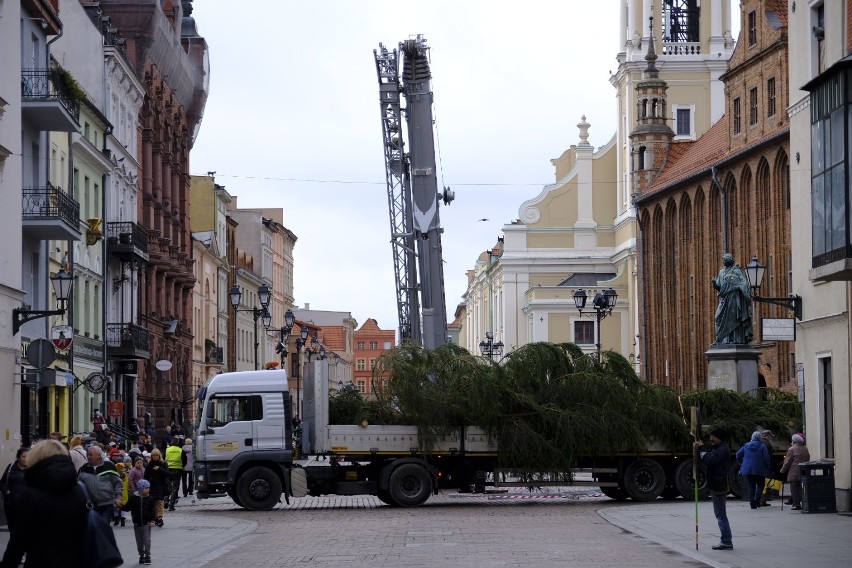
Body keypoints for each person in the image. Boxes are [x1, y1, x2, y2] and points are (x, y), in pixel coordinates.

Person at [7, 440, 87, 568]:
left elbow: (20, 537)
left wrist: (9, 562)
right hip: (76, 559)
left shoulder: (31, 492)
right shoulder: (78, 489)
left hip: (41, 560)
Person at [697, 427, 733, 550]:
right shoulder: (719, 448)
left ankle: (726, 541)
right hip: (717, 484)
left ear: (720, 438)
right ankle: (726, 540)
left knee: (720, 514)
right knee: (720, 514)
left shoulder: (722, 450)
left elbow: (709, 460)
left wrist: (702, 448)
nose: (711, 438)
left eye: (714, 436)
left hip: (719, 485)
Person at [711, 253, 753, 345]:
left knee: (733, 318)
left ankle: (733, 339)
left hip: (734, 298)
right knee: (718, 317)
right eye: (722, 259)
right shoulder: (721, 272)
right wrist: (714, 284)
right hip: (724, 299)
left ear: (729, 260)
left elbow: (744, 283)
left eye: (724, 259)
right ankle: (722, 339)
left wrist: (738, 286)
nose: (723, 260)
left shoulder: (736, 271)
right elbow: (719, 286)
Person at [77, 445, 123, 524]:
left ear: (99, 455)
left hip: (107, 504)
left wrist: (118, 497)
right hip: (90, 505)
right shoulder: (83, 469)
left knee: (103, 528)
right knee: (93, 529)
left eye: (90, 455)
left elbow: (117, 483)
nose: (88, 457)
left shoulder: (109, 466)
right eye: (87, 454)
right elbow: (79, 486)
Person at [0, 448, 29, 568]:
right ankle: (17, 553)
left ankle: (26, 553)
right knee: (14, 530)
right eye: (23, 456)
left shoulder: (33, 469)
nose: (26, 459)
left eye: (28, 456)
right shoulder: (11, 467)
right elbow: (1, 482)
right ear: (18, 457)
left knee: (25, 530)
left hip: (26, 506)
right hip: (11, 505)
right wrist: (6, 491)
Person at [123, 478, 156, 565]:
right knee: (139, 542)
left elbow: (152, 510)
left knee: (146, 540)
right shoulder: (133, 498)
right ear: (141, 489)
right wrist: (119, 506)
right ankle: (141, 555)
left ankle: (147, 556)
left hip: (146, 523)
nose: (148, 489)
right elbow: (127, 507)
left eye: (148, 488)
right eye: (146, 488)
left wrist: (152, 520)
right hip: (137, 524)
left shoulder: (150, 498)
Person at [736, 431, 772, 509]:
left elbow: (738, 454)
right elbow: (766, 458)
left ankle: (752, 503)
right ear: (759, 438)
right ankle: (757, 499)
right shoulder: (762, 446)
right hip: (760, 470)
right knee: (760, 485)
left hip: (748, 470)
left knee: (751, 486)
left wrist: (741, 462)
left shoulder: (746, 445)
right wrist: (768, 466)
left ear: (752, 437)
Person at [780, 433, 811, 510]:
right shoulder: (805, 448)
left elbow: (787, 462)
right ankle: (804, 503)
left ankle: (797, 505)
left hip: (794, 472)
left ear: (793, 441)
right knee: (802, 489)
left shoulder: (791, 449)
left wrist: (782, 470)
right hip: (803, 471)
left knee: (794, 489)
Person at [144, 448, 170, 526]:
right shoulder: (149, 465)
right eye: (154, 455)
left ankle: (160, 518)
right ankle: (154, 517)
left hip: (161, 486)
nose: (155, 457)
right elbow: (146, 476)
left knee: (160, 502)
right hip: (151, 486)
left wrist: (159, 469)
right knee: (153, 503)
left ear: (159, 456)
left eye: (157, 455)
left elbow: (167, 473)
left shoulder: (163, 463)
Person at [164, 438, 185, 511]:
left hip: (168, 470)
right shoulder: (181, 450)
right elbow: (184, 460)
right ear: (178, 443)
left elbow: (163, 458)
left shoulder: (167, 450)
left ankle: (166, 500)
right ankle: (171, 505)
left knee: (167, 486)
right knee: (175, 488)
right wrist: (182, 467)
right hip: (177, 471)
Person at [113, 462, 130, 527]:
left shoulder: (115, 475)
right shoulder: (124, 475)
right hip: (124, 493)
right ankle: (122, 521)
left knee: (116, 506)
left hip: (116, 492)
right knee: (122, 506)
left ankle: (116, 520)